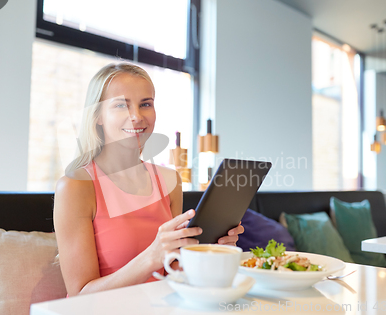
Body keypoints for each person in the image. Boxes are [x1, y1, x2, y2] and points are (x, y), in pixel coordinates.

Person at [54, 63, 244, 297]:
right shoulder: (76, 187)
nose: (136, 116)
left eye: (146, 104)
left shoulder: (170, 181)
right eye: (121, 105)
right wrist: (150, 258)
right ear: (98, 117)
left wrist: (211, 251)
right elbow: (79, 296)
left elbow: (174, 271)